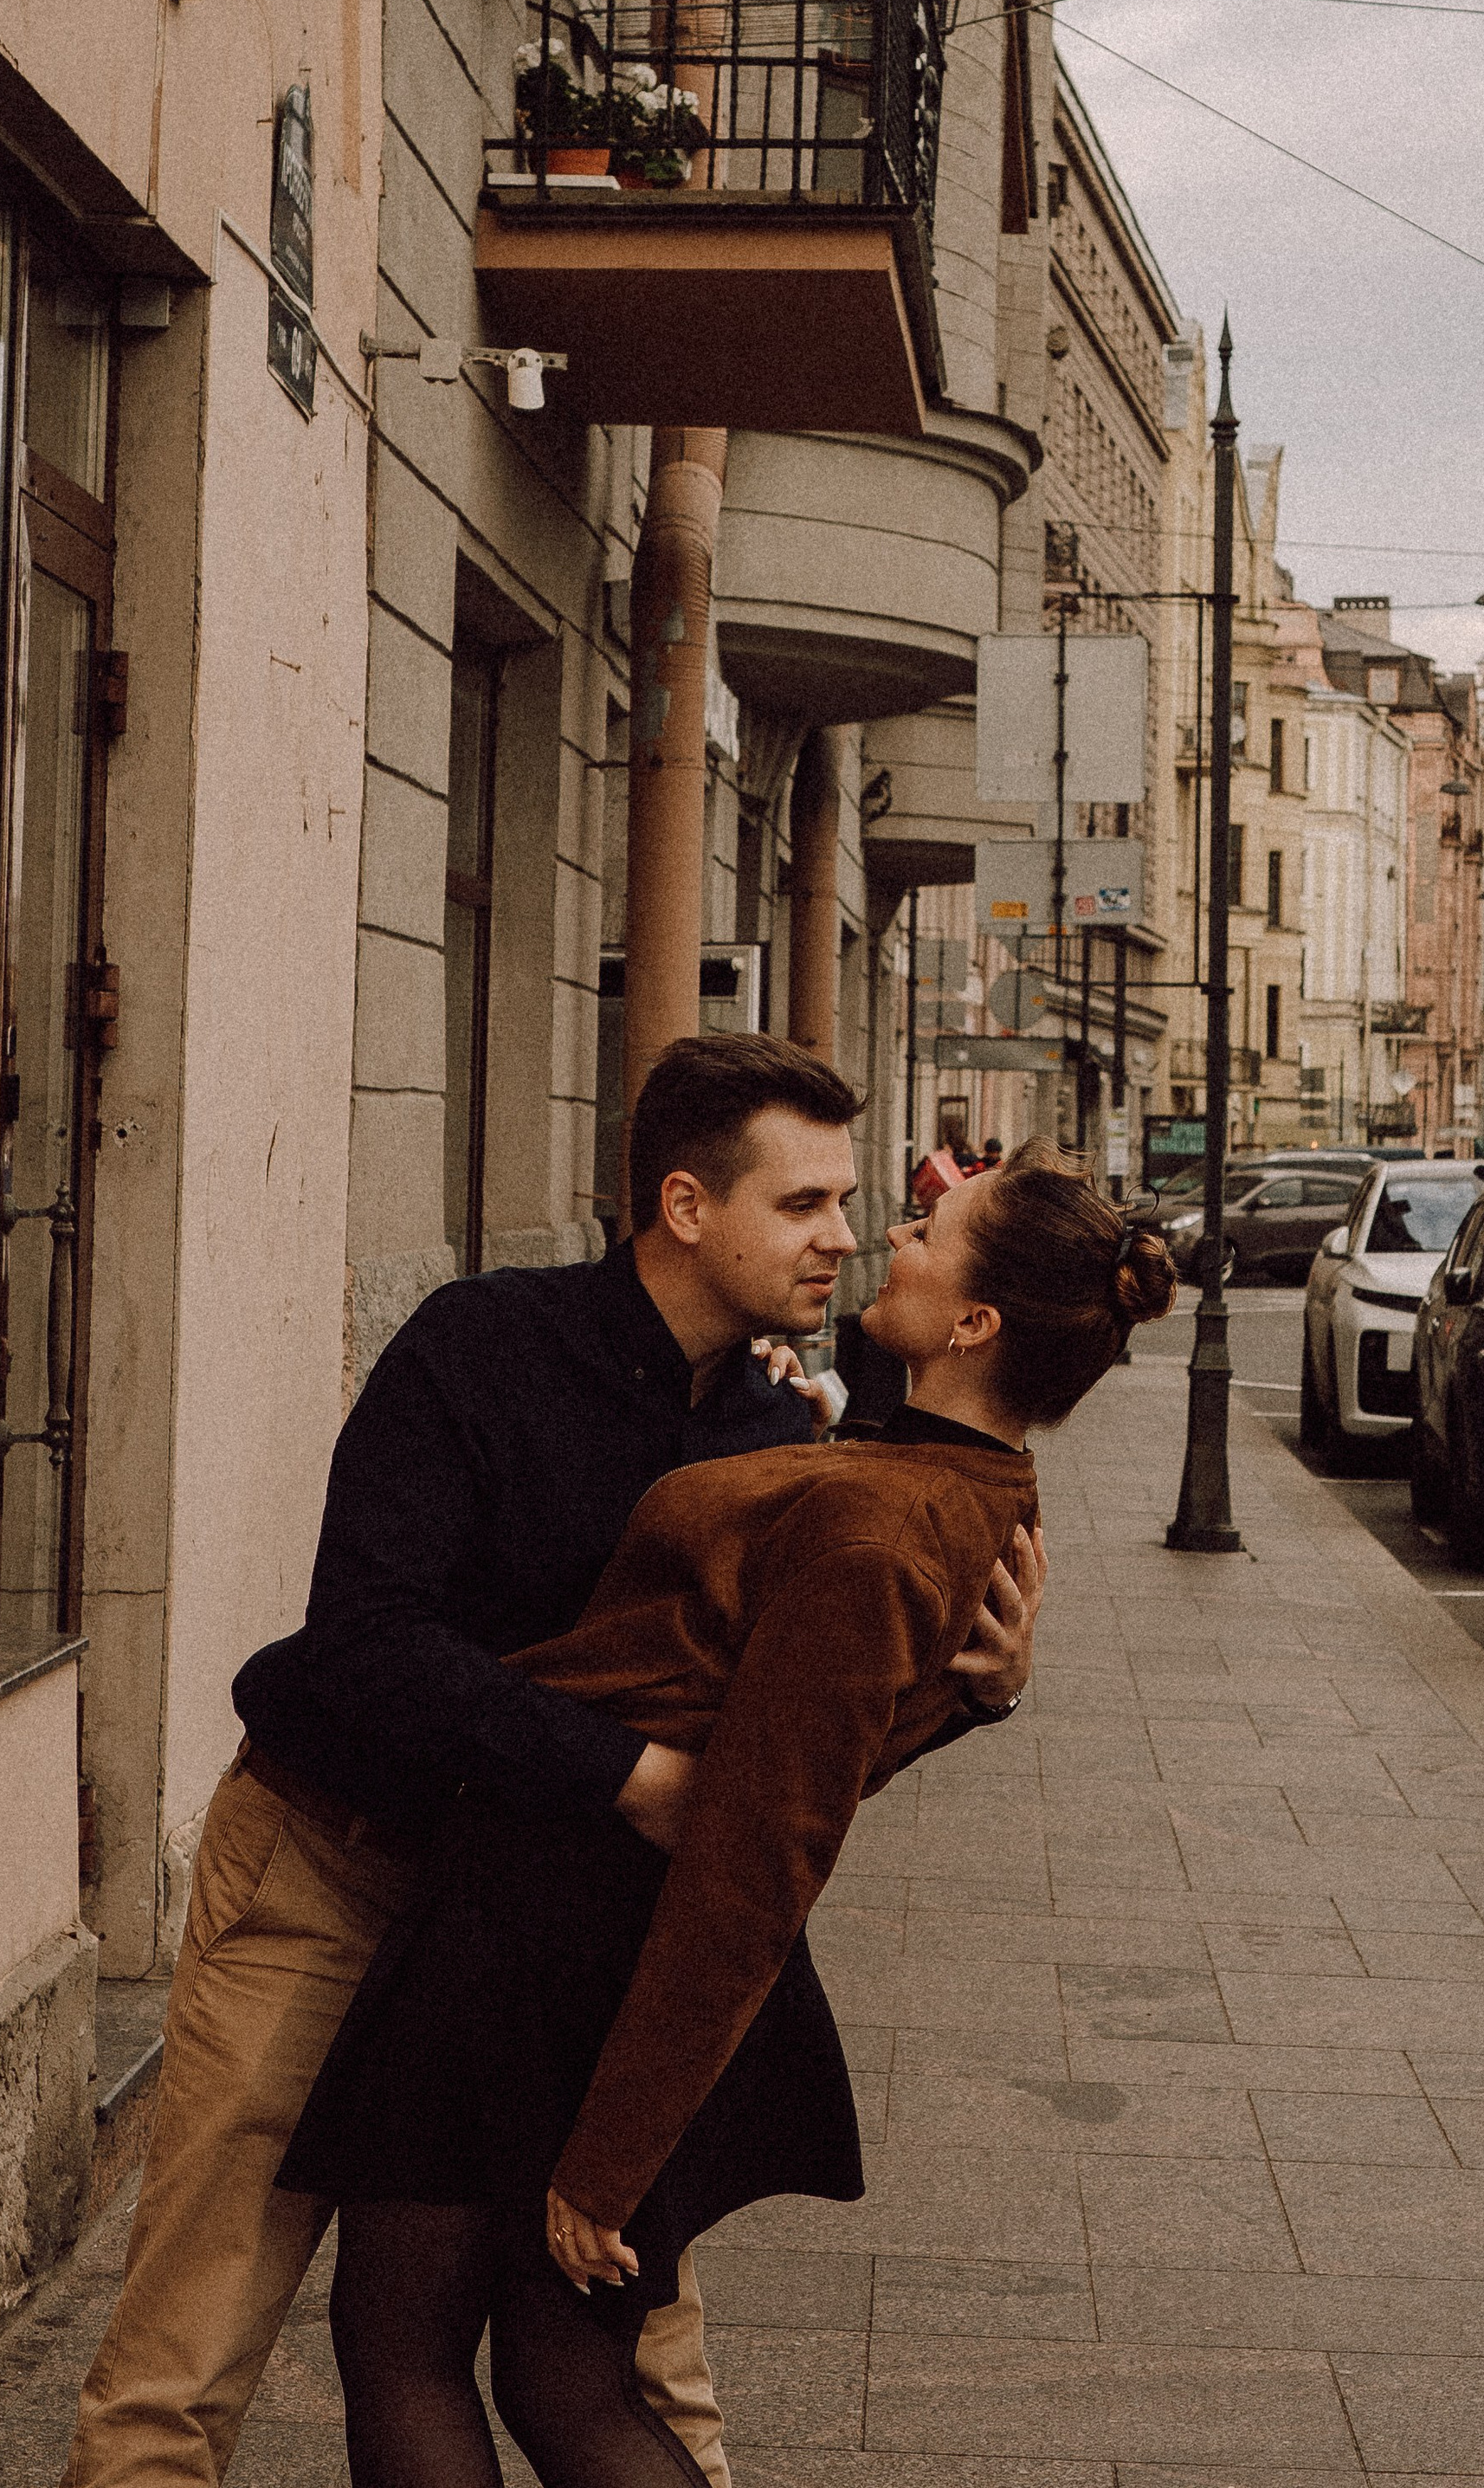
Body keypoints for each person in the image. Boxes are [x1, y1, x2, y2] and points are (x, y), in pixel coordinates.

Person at [62, 1036, 1044, 2488]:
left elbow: (788, 1748)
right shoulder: (482, 1345)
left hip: (539, 1942)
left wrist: (974, 1692)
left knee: (642, 2355)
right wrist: (627, 1777)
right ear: (686, 1205)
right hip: (334, 1868)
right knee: (189, 2351)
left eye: (854, 1201)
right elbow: (366, 1644)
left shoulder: (779, 1424)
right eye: (805, 1203)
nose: (844, 1233)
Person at [275, 1145, 1174, 2488]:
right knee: (548, 2374)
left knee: (423, 2353)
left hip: (546, 1937)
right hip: (567, 1929)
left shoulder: (880, 1526)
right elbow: (819, 1740)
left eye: (930, 1231)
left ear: (976, 1323)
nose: (891, 1240)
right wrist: (979, 1699)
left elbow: (765, 1849)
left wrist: (610, 2161)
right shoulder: (952, 1487)